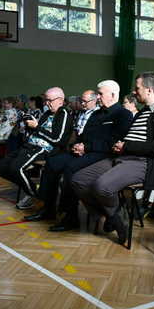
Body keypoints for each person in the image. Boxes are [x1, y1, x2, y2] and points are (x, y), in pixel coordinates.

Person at [72, 72, 154, 245]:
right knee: (79, 179)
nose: (135, 92)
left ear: (149, 90)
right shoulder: (143, 112)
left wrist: (126, 146)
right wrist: (122, 144)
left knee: (102, 186)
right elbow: (134, 138)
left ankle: (117, 219)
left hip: (144, 163)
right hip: (123, 157)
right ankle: (110, 216)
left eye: (138, 88)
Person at [25, 83, 133, 231]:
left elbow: (114, 142)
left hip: (104, 155)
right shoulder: (96, 113)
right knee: (53, 161)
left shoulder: (123, 114)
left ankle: (70, 217)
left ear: (113, 95)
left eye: (101, 94)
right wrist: (77, 145)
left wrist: (86, 147)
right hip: (86, 151)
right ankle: (47, 208)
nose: (98, 97)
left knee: (71, 169)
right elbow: (84, 135)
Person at [0, 87, 73, 197]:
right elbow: (38, 130)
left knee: (16, 168)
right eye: (46, 100)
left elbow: (58, 139)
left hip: (44, 149)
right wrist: (30, 123)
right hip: (30, 145)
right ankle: (30, 187)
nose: (47, 103)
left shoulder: (64, 113)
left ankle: (36, 195)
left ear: (60, 100)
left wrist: (37, 126)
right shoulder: (47, 113)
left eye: (50, 100)